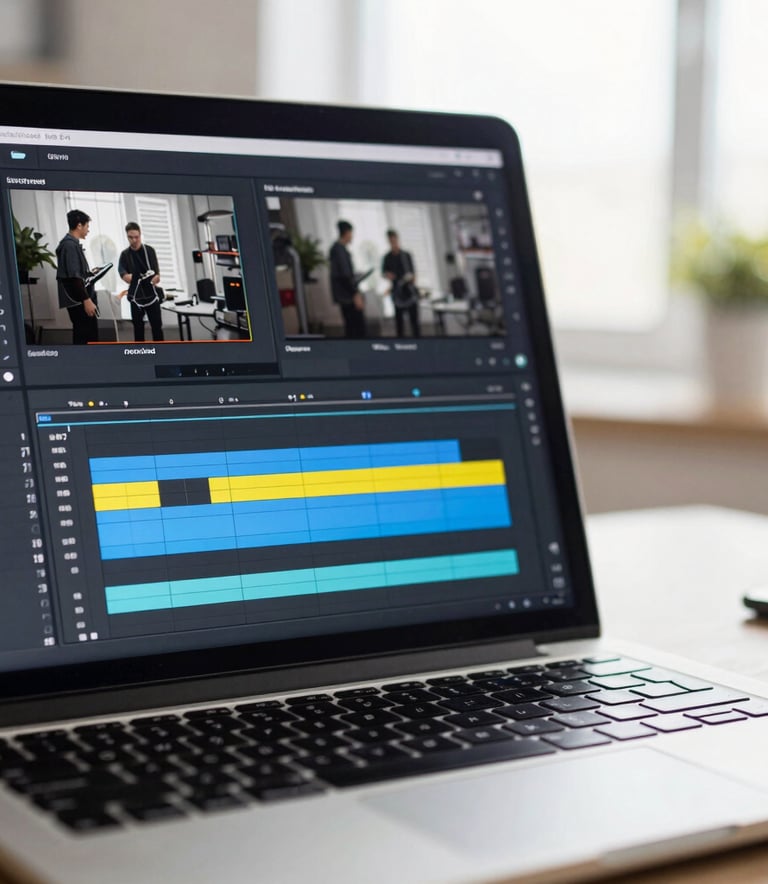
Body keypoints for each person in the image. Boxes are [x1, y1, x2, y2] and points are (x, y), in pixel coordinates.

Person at [55, 209, 99, 344]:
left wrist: (89, 273)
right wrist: (86, 300)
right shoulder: (69, 246)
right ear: (79, 225)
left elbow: (75, 273)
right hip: (79, 301)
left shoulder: (71, 244)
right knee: (85, 336)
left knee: (84, 334)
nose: (88, 230)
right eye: (87, 226)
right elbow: (74, 277)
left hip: (79, 298)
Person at [118, 222, 164, 341]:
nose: (134, 240)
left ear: (140, 234)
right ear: (127, 236)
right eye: (130, 237)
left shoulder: (149, 251)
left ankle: (162, 356)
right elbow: (122, 273)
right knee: (138, 329)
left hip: (151, 295)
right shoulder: (125, 255)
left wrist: (155, 278)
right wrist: (127, 276)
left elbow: (157, 274)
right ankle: (140, 355)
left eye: (136, 237)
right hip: (136, 296)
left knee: (157, 327)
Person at [329, 220, 366, 338]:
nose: (352, 236)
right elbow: (345, 276)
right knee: (356, 330)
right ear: (346, 233)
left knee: (351, 328)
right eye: (351, 233)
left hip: (345, 296)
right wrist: (356, 294)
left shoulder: (336, 249)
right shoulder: (339, 250)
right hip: (348, 297)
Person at [382, 229, 420, 338]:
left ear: (397, 239)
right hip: (396, 294)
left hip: (409, 292)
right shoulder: (387, 258)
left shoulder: (406, 255)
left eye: (394, 240)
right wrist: (387, 275)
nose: (393, 243)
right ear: (388, 241)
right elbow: (383, 273)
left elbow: (413, 273)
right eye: (390, 241)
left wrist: (412, 278)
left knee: (414, 323)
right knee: (399, 324)